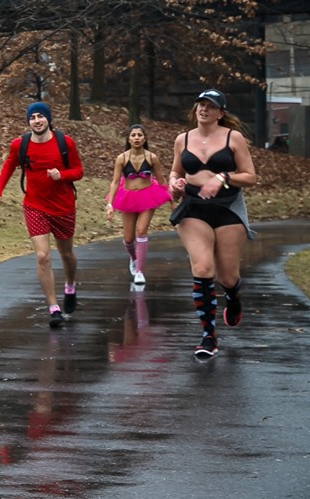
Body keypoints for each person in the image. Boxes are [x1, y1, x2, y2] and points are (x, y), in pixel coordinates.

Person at [167, 89, 257, 359]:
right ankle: (208, 336)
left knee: (227, 276)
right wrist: (174, 184)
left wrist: (223, 177)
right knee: (203, 268)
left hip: (228, 209)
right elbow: (175, 171)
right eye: (200, 104)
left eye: (210, 106)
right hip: (194, 209)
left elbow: (250, 177)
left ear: (221, 112)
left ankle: (233, 295)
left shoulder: (233, 138)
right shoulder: (182, 139)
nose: (203, 109)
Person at [0, 102, 84, 328]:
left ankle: (70, 286)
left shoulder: (65, 143)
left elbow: (78, 172)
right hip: (35, 205)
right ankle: (53, 308)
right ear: (29, 121)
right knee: (43, 256)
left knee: (67, 253)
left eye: (41, 117)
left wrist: (61, 174)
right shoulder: (20, 145)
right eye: (33, 118)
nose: (37, 121)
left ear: (49, 120)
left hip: (63, 207)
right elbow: (9, 166)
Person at [104, 124, 172, 285]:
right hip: (127, 197)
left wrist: (171, 198)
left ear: (145, 138)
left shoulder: (151, 157)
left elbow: (161, 179)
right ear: (128, 139)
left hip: (148, 196)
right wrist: (110, 204)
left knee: (141, 231)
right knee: (128, 239)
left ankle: (140, 271)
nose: (136, 138)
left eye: (139, 135)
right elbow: (114, 182)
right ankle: (134, 257)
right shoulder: (122, 158)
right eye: (133, 135)